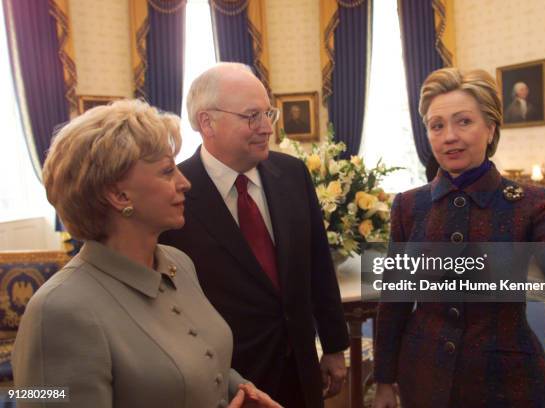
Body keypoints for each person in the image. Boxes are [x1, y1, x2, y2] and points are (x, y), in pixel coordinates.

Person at [12, 99, 279, 408]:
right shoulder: (57, 310)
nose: (185, 183)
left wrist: (239, 389)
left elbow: (197, 361)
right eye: (167, 172)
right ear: (118, 194)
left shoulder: (179, 263)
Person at [373, 68, 545, 407]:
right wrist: (383, 381)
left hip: (505, 380)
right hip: (424, 376)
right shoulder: (408, 205)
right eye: (437, 125)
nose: (449, 136)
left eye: (463, 121)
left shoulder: (528, 201)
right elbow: (395, 300)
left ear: (491, 128)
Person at [159, 62, 349, 408]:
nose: (267, 128)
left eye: (268, 114)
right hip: (228, 381)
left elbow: (318, 266)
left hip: (302, 372)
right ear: (207, 122)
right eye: (252, 116)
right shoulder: (174, 191)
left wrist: (335, 346)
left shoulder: (291, 174)